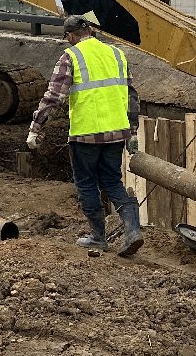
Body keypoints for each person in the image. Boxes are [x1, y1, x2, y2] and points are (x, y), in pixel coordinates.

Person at [27, 14, 143, 256]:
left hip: (85, 134)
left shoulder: (71, 56)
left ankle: (98, 237)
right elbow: (131, 95)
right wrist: (132, 131)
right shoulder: (117, 54)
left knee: (87, 183)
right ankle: (133, 230)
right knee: (112, 181)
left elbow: (53, 96)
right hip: (116, 133)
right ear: (90, 30)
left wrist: (36, 127)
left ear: (70, 36)